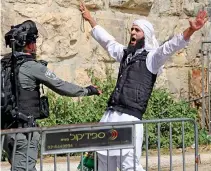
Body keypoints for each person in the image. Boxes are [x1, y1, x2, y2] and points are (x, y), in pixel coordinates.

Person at [80, 2, 208, 171]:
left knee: (129, 166)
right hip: (110, 116)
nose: (132, 32)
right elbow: (108, 42)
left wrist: (191, 30)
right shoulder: (125, 54)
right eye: (132, 29)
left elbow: (169, 47)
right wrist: (91, 19)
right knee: (104, 164)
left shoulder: (152, 59)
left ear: (145, 35)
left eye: (137, 30)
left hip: (130, 119)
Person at [1, 20, 101, 171]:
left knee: (23, 166)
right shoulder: (32, 67)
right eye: (34, 41)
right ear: (29, 44)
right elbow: (61, 86)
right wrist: (88, 90)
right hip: (24, 133)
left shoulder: (4, 65)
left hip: (7, 131)